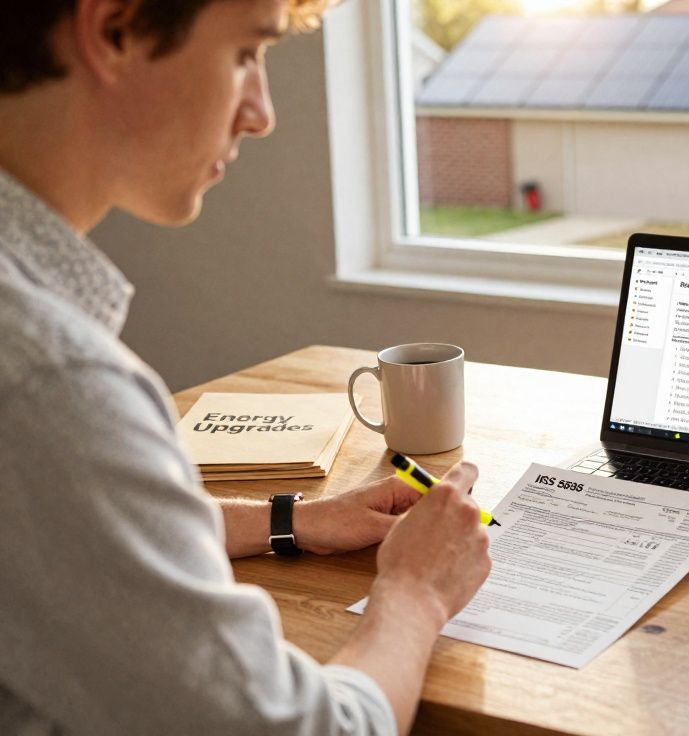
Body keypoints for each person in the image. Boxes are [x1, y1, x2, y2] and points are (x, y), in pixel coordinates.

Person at [0, 1, 491, 733]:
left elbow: (51, 529)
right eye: (243, 56)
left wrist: (288, 520)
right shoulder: (50, 383)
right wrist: (417, 592)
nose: (261, 113)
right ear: (115, 31)